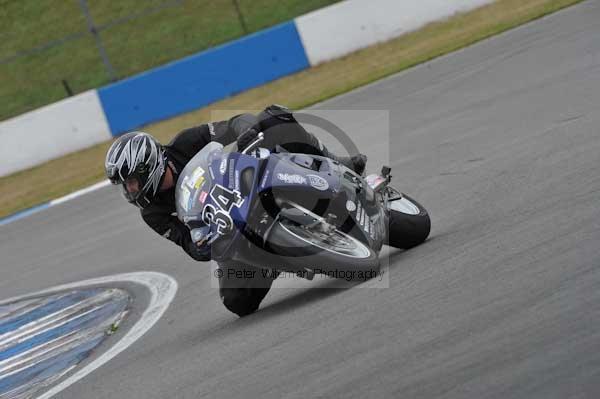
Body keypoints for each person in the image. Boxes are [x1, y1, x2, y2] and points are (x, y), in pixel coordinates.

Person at [105, 104, 366, 317]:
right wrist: (201, 245)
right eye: (125, 186)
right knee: (237, 302)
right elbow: (186, 243)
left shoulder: (184, 143)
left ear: (147, 167)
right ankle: (271, 262)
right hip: (227, 234)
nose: (129, 191)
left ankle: (334, 162)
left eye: (130, 182)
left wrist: (246, 132)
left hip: (246, 184)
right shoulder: (152, 213)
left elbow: (233, 123)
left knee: (274, 118)